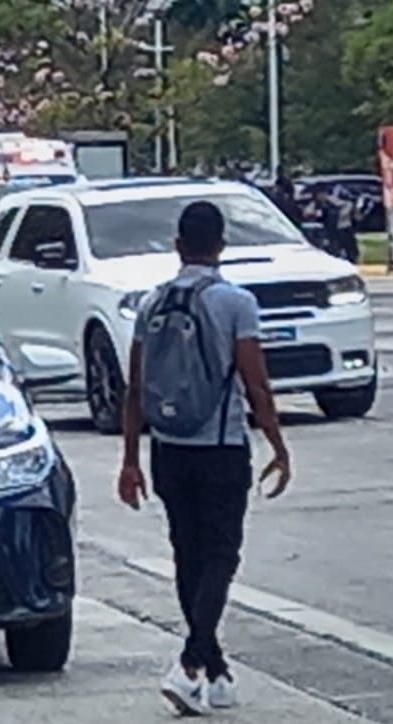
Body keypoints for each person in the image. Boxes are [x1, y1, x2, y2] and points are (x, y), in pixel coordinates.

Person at [116, 201, 292, 715]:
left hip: (168, 446)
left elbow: (135, 387)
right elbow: (255, 382)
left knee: (187, 554)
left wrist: (130, 459)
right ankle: (191, 663)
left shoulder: (151, 303)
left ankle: (216, 672)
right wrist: (278, 445)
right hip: (220, 445)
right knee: (221, 554)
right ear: (221, 245)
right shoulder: (234, 302)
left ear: (177, 245)